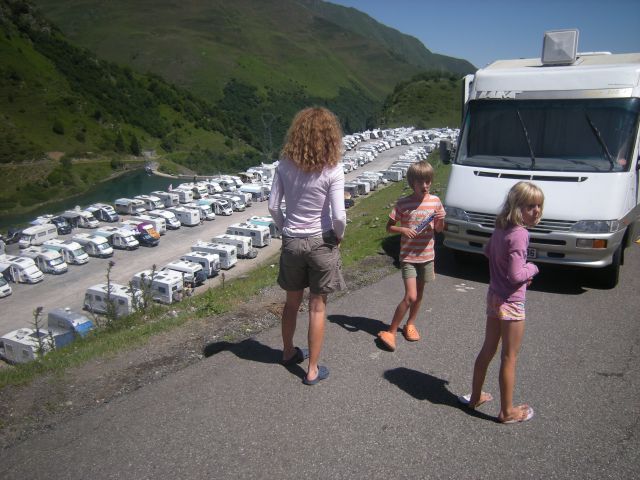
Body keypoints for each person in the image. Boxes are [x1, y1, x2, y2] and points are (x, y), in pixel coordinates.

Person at [268, 107, 346, 386]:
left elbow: (273, 206)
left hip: (292, 239)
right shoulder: (333, 169)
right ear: (330, 136)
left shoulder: (283, 166)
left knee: (291, 304)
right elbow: (338, 215)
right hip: (321, 240)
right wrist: (338, 235)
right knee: (317, 307)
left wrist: (285, 228)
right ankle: (312, 370)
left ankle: (288, 352)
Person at [459, 181, 544, 424]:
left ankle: (475, 396)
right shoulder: (520, 234)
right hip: (512, 302)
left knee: (488, 348)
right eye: (530, 206)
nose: (536, 211)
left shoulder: (500, 229)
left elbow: (488, 252)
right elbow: (517, 275)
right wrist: (533, 268)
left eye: (538, 205)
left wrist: (506, 268)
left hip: (495, 297)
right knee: (510, 356)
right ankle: (507, 412)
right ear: (517, 207)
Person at [377, 161, 445, 351]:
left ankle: (410, 324)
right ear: (411, 182)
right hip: (408, 257)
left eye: (428, 181)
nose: (425, 186)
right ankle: (390, 331)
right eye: (420, 182)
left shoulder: (435, 202)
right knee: (411, 295)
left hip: (427, 256)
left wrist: (440, 221)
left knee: (419, 294)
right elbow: (388, 227)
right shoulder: (403, 204)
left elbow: (439, 229)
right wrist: (403, 229)